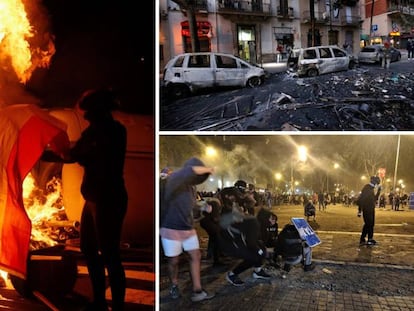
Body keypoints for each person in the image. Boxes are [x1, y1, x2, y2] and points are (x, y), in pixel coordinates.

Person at [42, 88, 129, 310]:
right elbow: (74, 153)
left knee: (109, 254)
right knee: (90, 249)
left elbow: (76, 155)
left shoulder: (112, 131)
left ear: (99, 110)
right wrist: (45, 153)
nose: (85, 115)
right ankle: (99, 301)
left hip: (107, 199)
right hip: (93, 199)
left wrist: (49, 153)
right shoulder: (94, 131)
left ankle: (117, 306)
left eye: (88, 111)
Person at [160, 157, 215, 302]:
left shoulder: (191, 187)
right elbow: (186, 171)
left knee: (195, 256)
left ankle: (197, 290)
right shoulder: (174, 180)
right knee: (173, 261)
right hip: (171, 228)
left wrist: (202, 206)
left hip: (188, 228)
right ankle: (174, 284)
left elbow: (191, 204)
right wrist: (208, 169)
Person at [217, 181, 271, 287]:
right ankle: (232, 275)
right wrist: (259, 251)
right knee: (254, 255)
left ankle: (258, 271)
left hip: (238, 236)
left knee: (260, 248)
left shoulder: (241, 208)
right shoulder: (228, 210)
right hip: (231, 241)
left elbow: (251, 204)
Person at [357, 175, 381, 246]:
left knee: (371, 224)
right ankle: (364, 239)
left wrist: (379, 191)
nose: (376, 184)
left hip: (371, 209)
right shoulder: (367, 188)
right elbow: (362, 199)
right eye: (376, 182)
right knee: (368, 224)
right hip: (367, 209)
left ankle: (369, 238)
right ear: (373, 181)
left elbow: (374, 199)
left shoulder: (371, 189)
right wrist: (359, 211)